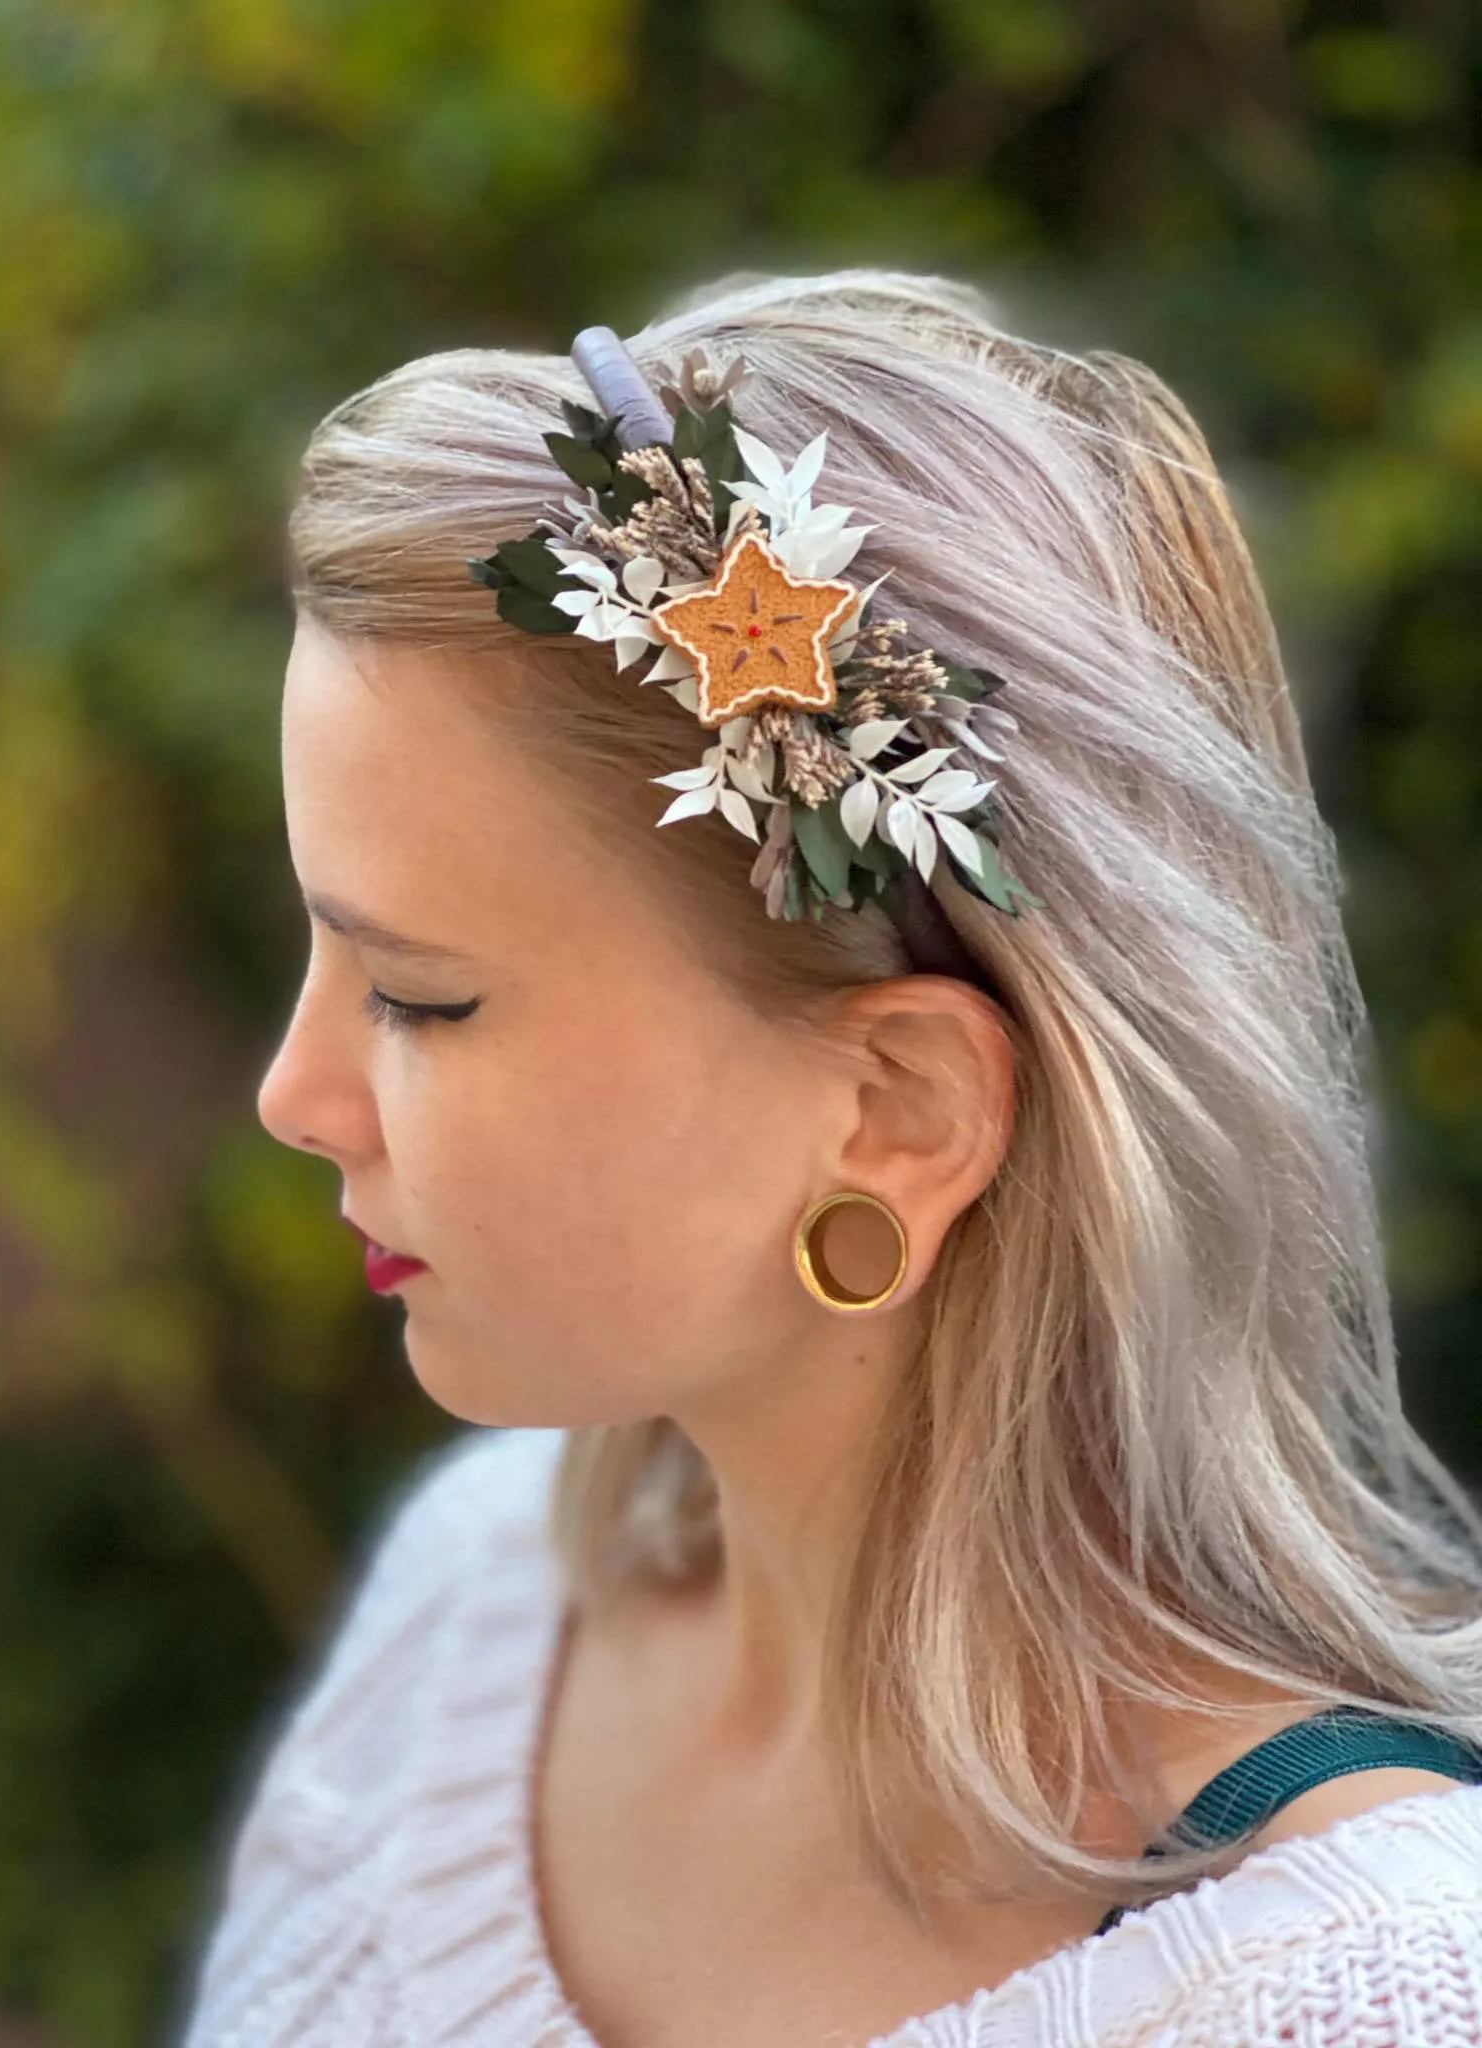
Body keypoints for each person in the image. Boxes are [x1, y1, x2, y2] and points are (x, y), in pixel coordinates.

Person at [173, 268, 1482, 2048]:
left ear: (903, 1113)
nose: (296, 1093)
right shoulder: (468, 1628)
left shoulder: (1359, 1997)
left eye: (421, 996)